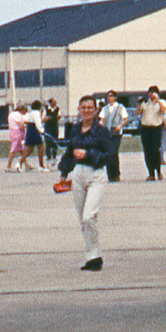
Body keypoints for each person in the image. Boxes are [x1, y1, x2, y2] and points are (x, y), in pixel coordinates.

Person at [57, 96, 117, 271]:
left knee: (88, 216)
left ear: (95, 110)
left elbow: (111, 154)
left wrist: (89, 154)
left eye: (90, 108)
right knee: (82, 218)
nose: (87, 111)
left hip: (96, 173)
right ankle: (92, 256)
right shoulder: (75, 129)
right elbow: (69, 151)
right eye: (83, 107)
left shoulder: (101, 131)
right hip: (78, 174)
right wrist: (63, 173)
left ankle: (95, 255)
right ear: (79, 109)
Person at [136, 87, 166, 181]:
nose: (151, 94)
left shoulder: (161, 102)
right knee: (147, 151)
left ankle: (158, 170)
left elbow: (163, 110)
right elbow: (137, 113)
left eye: (153, 92)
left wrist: (157, 100)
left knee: (155, 149)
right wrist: (140, 103)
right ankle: (151, 173)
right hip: (145, 129)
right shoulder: (145, 103)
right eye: (149, 93)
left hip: (156, 128)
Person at [99, 91, 126, 182]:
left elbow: (125, 118)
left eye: (111, 96)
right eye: (108, 97)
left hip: (116, 132)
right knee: (108, 153)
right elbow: (102, 119)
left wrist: (120, 126)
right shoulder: (105, 108)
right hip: (107, 132)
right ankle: (110, 174)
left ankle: (116, 173)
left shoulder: (120, 107)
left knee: (114, 152)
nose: (109, 98)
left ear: (115, 98)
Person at [7, 104, 31, 171]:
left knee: (21, 150)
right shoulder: (18, 115)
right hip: (17, 132)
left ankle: (27, 165)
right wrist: (24, 130)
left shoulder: (11, 114)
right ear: (22, 110)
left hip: (12, 131)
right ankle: (8, 166)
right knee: (13, 150)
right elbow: (21, 125)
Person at [44, 98, 60, 164]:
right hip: (48, 127)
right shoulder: (46, 109)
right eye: (53, 102)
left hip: (55, 126)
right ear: (50, 103)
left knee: (55, 140)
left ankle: (54, 154)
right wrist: (47, 118)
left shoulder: (57, 109)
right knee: (48, 141)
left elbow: (59, 116)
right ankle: (48, 155)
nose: (55, 103)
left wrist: (57, 117)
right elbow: (44, 117)